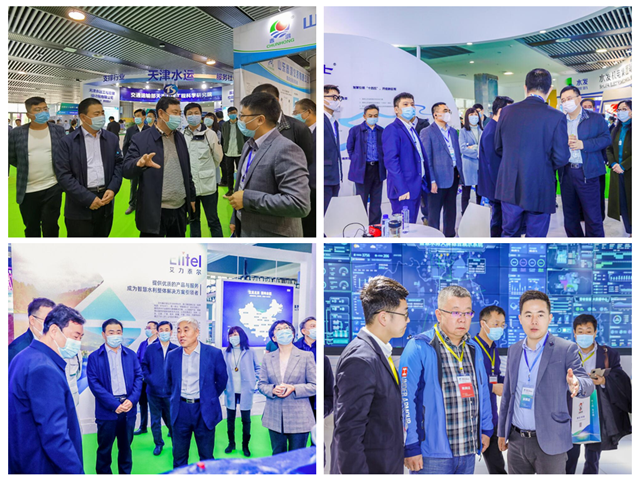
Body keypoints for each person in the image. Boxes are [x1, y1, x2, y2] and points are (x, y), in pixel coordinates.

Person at [497, 290, 594, 474]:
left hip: (552, 440)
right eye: (528, 315)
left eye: (540, 315)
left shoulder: (565, 349)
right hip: (516, 440)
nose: (534, 321)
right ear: (520, 318)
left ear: (549, 318)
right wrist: (502, 432)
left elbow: (587, 384)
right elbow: (508, 394)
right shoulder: (514, 350)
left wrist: (577, 383)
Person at [401, 285, 492, 474]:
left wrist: (485, 429)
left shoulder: (474, 349)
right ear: (439, 314)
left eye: (467, 313)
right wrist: (411, 445)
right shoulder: (419, 347)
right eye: (455, 312)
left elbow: (483, 391)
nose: (462, 319)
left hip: (467, 450)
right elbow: (406, 399)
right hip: (431, 455)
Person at [331, 276, 409, 474]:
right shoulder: (361, 360)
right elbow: (349, 433)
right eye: (404, 314)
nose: (407, 320)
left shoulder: (378, 351)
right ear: (384, 317)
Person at [8, 304, 85, 474]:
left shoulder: (24, 357)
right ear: (54, 331)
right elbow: (54, 435)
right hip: (41, 464)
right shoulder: (44, 369)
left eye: (80, 338)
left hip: (22, 457)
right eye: (75, 336)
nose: (78, 343)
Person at [495, 68, 570, 237]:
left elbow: (498, 146)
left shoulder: (506, 112)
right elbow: (562, 157)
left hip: (510, 185)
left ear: (525, 87)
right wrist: (541, 165)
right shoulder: (556, 116)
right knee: (536, 239)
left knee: (509, 234)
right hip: (540, 185)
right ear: (550, 89)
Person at [227, 92, 310, 237]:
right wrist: (235, 218)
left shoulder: (286, 149)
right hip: (245, 228)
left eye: (243, 116)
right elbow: (242, 184)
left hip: (272, 236)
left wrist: (247, 199)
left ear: (260, 119)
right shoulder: (249, 144)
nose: (240, 120)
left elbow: (299, 204)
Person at [565, 314, 632, 474]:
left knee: (593, 456)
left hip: (596, 408)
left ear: (595, 332)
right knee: (569, 455)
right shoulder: (565, 352)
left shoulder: (608, 354)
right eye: (580, 331)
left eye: (588, 331)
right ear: (574, 333)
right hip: (571, 407)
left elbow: (619, 377)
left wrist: (603, 381)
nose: (584, 335)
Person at [123, 96, 196, 237]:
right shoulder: (141, 139)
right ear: (161, 114)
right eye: (174, 112)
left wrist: (191, 197)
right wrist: (139, 164)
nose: (178, 117)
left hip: (179, 208)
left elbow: (187, 171)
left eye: (179, 113)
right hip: (154, 211)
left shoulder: (180, 137)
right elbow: (126, 170)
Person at [54, 98, 123, 237]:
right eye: (96, 114)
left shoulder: (111, 139)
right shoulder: (67, 142)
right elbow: (63, 175)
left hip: (105, 201)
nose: (101, 117)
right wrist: (88, 199)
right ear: (83, 117)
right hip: (79, 204)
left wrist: (112, 188)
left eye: (102, 113)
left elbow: (119, 164)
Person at [166, 317, 227, 468]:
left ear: (197, 332)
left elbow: (222, 380)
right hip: (180, 410)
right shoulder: (172, 355)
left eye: (186, 330)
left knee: (206, 456)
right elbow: (168, 382)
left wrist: (209, 397)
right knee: (179, 456)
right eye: (179, 331)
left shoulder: (213, 353)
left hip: (204, 410)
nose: (181, 335)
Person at [86, 319, 143, 474]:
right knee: (104, 450)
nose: (115, 335)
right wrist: (114, 404)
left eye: (118, 332)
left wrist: (131, 400)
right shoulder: (94, 357)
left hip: (128, 409)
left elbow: (139, 377)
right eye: (111, 332)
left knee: (126, 448)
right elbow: (94, 384)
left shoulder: (131, 355)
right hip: (107, 411)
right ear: (104, 334)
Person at [9, 96, 65, 237]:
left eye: (45, 108)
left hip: (52, 187)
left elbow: (63, 155)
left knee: (51, 226)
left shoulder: (58, 131)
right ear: (29, 115)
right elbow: (11, 157)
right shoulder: (17, 133)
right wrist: (25, 165)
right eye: (37, 110)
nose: (43, 112)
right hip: (28, 190)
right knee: (31, 227)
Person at [559, 85, 610, 237]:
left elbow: (606, 139)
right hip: (566, 172)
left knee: (593, 216)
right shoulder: (560, 121)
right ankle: (576, 246)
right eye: (563, 100)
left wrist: (584, 144)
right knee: (570, 217)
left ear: (579, 98)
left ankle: (594, 247)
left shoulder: (595, 118)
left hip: (587, 172)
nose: (566, 102)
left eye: (569, 98)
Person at [258, 320, 316, 455]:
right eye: (279, 329)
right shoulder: (268, 358)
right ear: (274, 337)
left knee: (298, 458)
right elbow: (261, 384)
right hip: (274, 416)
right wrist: (272, 389)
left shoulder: (306, 356)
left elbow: (315, 385)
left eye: (286, 328)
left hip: (300, 417)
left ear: (293, 334)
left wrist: (294, 388)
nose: (283, 330)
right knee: (278, 457)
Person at [383, 92, 430, 224]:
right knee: (404, 227)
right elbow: (391, 161)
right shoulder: (392, 129)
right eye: (405, 104)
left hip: (416, 186)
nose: (410, 107)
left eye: (412, 104)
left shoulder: (411, 129)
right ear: (396, 109)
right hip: (404, 189)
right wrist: (401, 188)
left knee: (411, 224)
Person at [473, 306, 507, 474]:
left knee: (498, 466)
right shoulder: (472, 348)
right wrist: (493, 387)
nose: (499, 328)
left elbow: (496, 376)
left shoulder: (493, 349)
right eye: (495, 324)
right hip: (475, 418)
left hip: (492, 416)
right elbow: (469, 382)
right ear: (483, 323)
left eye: (502, 325)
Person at [422, 102, 464, 237]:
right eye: (445, 110)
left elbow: (456, 154)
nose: (448, 113)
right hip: (437, 179)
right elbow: (427, 159)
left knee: (451, 210)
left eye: (448, 111)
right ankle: (433, 238)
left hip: (453, 176)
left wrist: (459, 173)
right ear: (436, 114)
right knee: (434, 213)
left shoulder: (453, 132)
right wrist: (431, 180)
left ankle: (449, 236)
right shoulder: (427, 132)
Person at [183, 102, 224, 237]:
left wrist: (207, 170)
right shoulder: (182, 135)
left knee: (213, 220)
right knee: (193, 221)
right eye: (189, 114)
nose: (193, 116)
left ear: (201, 115)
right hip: (190, 188)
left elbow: (218, 157)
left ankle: (220, 246)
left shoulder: (210, 134)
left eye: (196, 113)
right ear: (185, 117)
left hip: (208, 187)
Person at [251, 84, 314, 169]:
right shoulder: (254, 128)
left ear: (276, 101)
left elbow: (307, 161)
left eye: (261, 102)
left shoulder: (299, 128)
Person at [141, 320, 178, 456]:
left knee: (172, 420)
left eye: (166, 330)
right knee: (155, 421)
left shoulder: (176, 349)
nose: (164, 332)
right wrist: (150, 380)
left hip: (170, 393)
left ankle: (176, 444)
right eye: (161, 330)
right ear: (157, 332)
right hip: (153, 392)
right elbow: (144, 366)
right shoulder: (151, 349)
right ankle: (158, 444)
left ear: (171, 332)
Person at [478, 96, 514, 237]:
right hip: (497, 187)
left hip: (498, 186)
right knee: (498, 221)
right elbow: (493, 164)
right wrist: (502, 188)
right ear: (500, 111)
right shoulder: (492, 132)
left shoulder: (496, 128)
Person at [223, 326, 260, 457]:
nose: (233, 337)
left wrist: (253, 381)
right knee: (230, 419)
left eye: (236, 334)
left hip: (245, 389)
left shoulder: (250, 351)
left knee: (246, 419)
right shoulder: (225, 352)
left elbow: (258, 368)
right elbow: (221, 370)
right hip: (231, 390)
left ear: (242, 335)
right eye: (231, 335)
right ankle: (231, 443)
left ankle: (245, 445)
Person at [347, 104, 386, 225]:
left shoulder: (382, 131)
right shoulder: (355, 130)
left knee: (376, 201)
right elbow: (350, 149)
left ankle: (375, 226)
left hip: (377, 169)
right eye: (370, 115)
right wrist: (357, 160)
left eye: (375, 115)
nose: (373, 118)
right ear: (364, 116)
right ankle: (362, 225)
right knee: (361, 200)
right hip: (362, 170)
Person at [580, 98, 609, 221]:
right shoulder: (576, 122)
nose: (587, 108)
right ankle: (583, 216)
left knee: (598, 193)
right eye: (584, 106)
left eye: (589, 106)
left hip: (596, 163)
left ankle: (599, 216)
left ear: (594, 107)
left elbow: (606, 140)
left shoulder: (599, 120)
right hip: (581, 165)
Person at [606, 100, 631, 235]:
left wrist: (624, 165)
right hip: (617, 172)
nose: (621, 112)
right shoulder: (616, 129)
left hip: (630, 172)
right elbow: (608, 149)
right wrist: (614, 164)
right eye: (619, 109)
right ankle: (630, 230)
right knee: (623, 203)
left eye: (625, 109)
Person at [293, 98, 317, 237]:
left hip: (314, 186)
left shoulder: (321, 131)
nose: (294, 115)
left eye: (296, 112)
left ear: (308, 112)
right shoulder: (302, 132)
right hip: (303, 186)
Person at [8, 297, 55, 364]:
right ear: (32, 320)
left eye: (53, 321)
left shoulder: (56, 343)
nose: (51, 325)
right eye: (47, 320)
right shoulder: (16, 350)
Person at [123, 109, 150, 215]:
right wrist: (127, 161)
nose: (137, 118)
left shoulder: (149, 130)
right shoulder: (130, 130)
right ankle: (132, 204)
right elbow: (125, 146)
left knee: (147, 184)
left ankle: (145, 204)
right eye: (135, 116)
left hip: (147, 163)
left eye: (139, 115)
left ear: (144, 117)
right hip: (134, 162)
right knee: (133, 184)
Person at [134, 321, 158, 436]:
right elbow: (137, 359)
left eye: (149, 327)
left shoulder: (159, 344)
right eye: (146, 327)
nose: (147, 330)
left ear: (156, 330)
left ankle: (169, 428)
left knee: (158, 405)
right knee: (142, 403)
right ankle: (143, 427)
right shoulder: (143, 344)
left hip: (154, 381)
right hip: (143, 380)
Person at [459, 107, 483, 215]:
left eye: (476, 115)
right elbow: (463, 149)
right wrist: (477, 152)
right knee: (466, 192)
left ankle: (479, 213)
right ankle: (464, 213)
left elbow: (485, 147)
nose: (474, 117)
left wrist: (473, 147)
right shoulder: (463, 131)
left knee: (480, 192)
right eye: (471, 115)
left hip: (480, 165)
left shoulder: (482, 130)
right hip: (468, 165)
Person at [323, 84, 343, 212]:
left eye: (338, 98)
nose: (337, 101)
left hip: (334, 176)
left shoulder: (334, 122)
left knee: (332, 214)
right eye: (334, 97)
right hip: (323, 177)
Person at [220, 106, 247, 195]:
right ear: (228, 114)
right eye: (231, 113)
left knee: (241, 172)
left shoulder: (241, 124)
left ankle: (239, 189)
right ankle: (230, 189)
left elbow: (245, 137)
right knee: (229, 172)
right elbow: (223, 138)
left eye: (234, 113)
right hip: (228, 152)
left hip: (239, 152)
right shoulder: (224, 125)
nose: (233, 114)